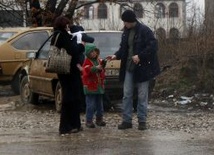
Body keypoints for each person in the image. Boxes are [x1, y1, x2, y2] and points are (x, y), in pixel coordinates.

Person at [107, 10, 160, 130]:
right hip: (128, 67)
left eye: (126, 22)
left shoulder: (145, 31)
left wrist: (140, 56)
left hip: (143, 68)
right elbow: (123, 48)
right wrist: (116, 55)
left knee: (142, 95)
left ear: (131, 21)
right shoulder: (125, 32)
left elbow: (153, 46)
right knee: (127, 94)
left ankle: (142, 120)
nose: (124, 24)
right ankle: (127, 120)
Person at [51, 16, 84, 136]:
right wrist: (81, 45)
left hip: (65, 70)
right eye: (67, 24)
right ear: (64, 25)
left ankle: (74, 124)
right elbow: (73, 50)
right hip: (68, 71)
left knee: (72, 97)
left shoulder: (57, 35)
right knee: (70, 98)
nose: (69, 26)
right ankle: (66, 126)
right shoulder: (62, 36)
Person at [82, 43, 106, 128]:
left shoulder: (99, 60)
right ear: (88, 53)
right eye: (91, 52)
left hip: (98, 86)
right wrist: (96, 68)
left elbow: (102, 72)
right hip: (90, 87)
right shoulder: (87, 62)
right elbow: (87, 70)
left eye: (95, 51)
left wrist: (102, 67)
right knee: (90, 105)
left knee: (100, 104)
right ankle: (89, 120)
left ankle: (99, 119)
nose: (93, 53)